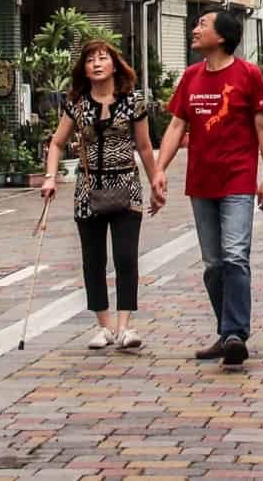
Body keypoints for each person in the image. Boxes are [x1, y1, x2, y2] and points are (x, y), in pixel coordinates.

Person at [153, 9, 263, 368]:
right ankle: (227, 333)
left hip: (237, 180)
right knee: (212, 264)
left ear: (221, 37)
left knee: (235, 255)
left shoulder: (248, 74)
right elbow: (177, 127)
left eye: (202, 25)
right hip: (201, 183)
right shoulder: (191, 77)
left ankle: (236, 332)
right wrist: (159, 169)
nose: (194, 30)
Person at [42, 39, 166, 352]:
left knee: (126, 258)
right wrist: (50, 177)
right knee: (93, 260)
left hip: (127, 186)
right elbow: (57, 142)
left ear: (114, 64)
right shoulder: (77, 103)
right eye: (90, 60)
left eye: (103, 58)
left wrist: (155, 182)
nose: (97, 64)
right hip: (88, 190)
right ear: (83, 68)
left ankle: (125, 326)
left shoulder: (132, 102)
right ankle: (104, 326)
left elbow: (145, 146)